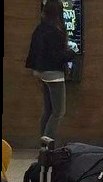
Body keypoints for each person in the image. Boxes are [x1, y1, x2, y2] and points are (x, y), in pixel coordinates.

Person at [25, 0, 76, 146]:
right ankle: (47, 145)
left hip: (40, 72)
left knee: (48, 109)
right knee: (58, 111)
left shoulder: (40, 28)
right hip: (54, 74)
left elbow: (34, 51)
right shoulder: (55, 31)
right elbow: (56, 56)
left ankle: (43, 144)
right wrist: (71, 53)